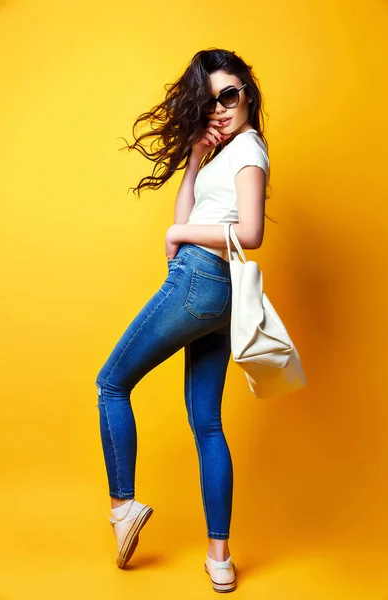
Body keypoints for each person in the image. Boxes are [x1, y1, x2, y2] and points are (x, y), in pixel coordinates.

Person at [95, 47, 272, 592]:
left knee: (110, 384)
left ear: (248, 94)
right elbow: (188, 216)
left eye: (230, 95)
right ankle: (219, 557)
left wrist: (179, 237)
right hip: (217, 293)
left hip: (198, 282)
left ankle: (123, 506)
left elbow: (250, 233)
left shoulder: (248, 151)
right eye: (210, 99)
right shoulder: (224, 152)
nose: (220, 107)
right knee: (208, 422)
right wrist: (195, 158)